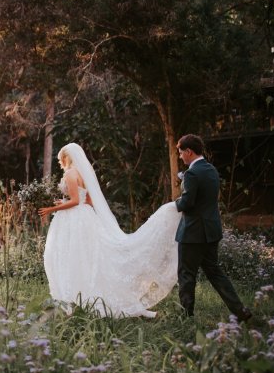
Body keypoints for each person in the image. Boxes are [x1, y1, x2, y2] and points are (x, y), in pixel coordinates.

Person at [39, 143, 181, 318]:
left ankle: (72, 298)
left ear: (66, 157)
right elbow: (88, 201)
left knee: (72, 256)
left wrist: (51, 209)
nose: (60, 163)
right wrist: (66, 203)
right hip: (86, 218)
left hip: (74, 220)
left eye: (61, 159)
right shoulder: (82, 174)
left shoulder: (70, 173)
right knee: (87, 258)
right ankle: (78, 296)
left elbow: (75, 201)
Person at [175, 134, 252, 321]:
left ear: (189, 151)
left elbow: (187, 203)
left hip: (193, 233)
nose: (179, 156)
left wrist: (174, 204)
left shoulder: (192, 173)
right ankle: (240, 310)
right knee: (215, 273)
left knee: (186, 274)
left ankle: (186, 316)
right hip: (211, 231)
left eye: (180, 153)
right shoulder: (211, 170)